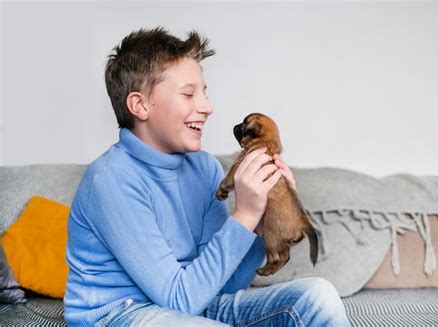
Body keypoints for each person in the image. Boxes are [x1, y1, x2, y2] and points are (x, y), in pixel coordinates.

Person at [64, 27, 350, 326]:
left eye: (205, 92)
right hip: (121, 313)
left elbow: (223, 285)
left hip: (195, 305)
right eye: (188, 94)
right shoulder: (112, 180)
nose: (207, 107)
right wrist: (244, 216)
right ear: (140, 105)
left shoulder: (205, 169)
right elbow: (178, 299)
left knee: (317, 296)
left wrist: (262, 215)